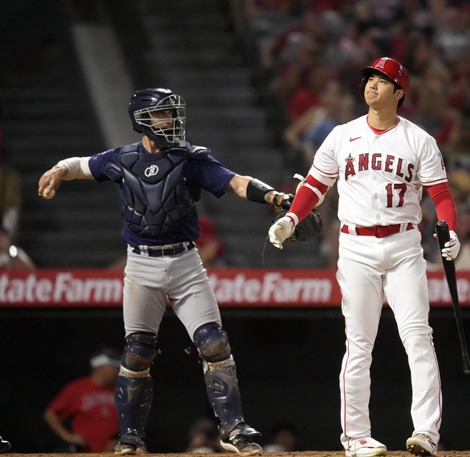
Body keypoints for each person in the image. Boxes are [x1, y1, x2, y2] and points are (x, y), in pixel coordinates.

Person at [37, 88, 293, 455]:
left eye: (172, 114)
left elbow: (237, 182)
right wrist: (58, 170)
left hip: (185, 262)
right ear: (141, 120)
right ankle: (130, 438)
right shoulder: (122, 158)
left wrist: (276, 198)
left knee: (214, 343)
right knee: (138, 351)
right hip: (141, 263)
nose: (170, 121)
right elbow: (82, 164)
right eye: (162, 115)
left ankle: (233, 428)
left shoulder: (190, 158)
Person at [268, 57, 461, 457]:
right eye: (370, 78)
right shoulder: (341, 135)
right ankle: (356, 437)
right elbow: (316, 184)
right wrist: (291, 218)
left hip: (405, 246)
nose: (372, 84)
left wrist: (451, 231)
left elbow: (441, 196)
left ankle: (426, 432)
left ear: (400, 92)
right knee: (359, 345)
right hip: (355, 248)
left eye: (382, 80)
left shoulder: (419, 140)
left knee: (419, 339)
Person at [43, 348, 121, 453]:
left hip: (114, 453)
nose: (118, 371)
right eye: (114, 367)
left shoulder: (121, 391)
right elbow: (51, 413)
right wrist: (67, 436)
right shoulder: (77, 388)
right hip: (84, 452)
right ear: (100, 368)